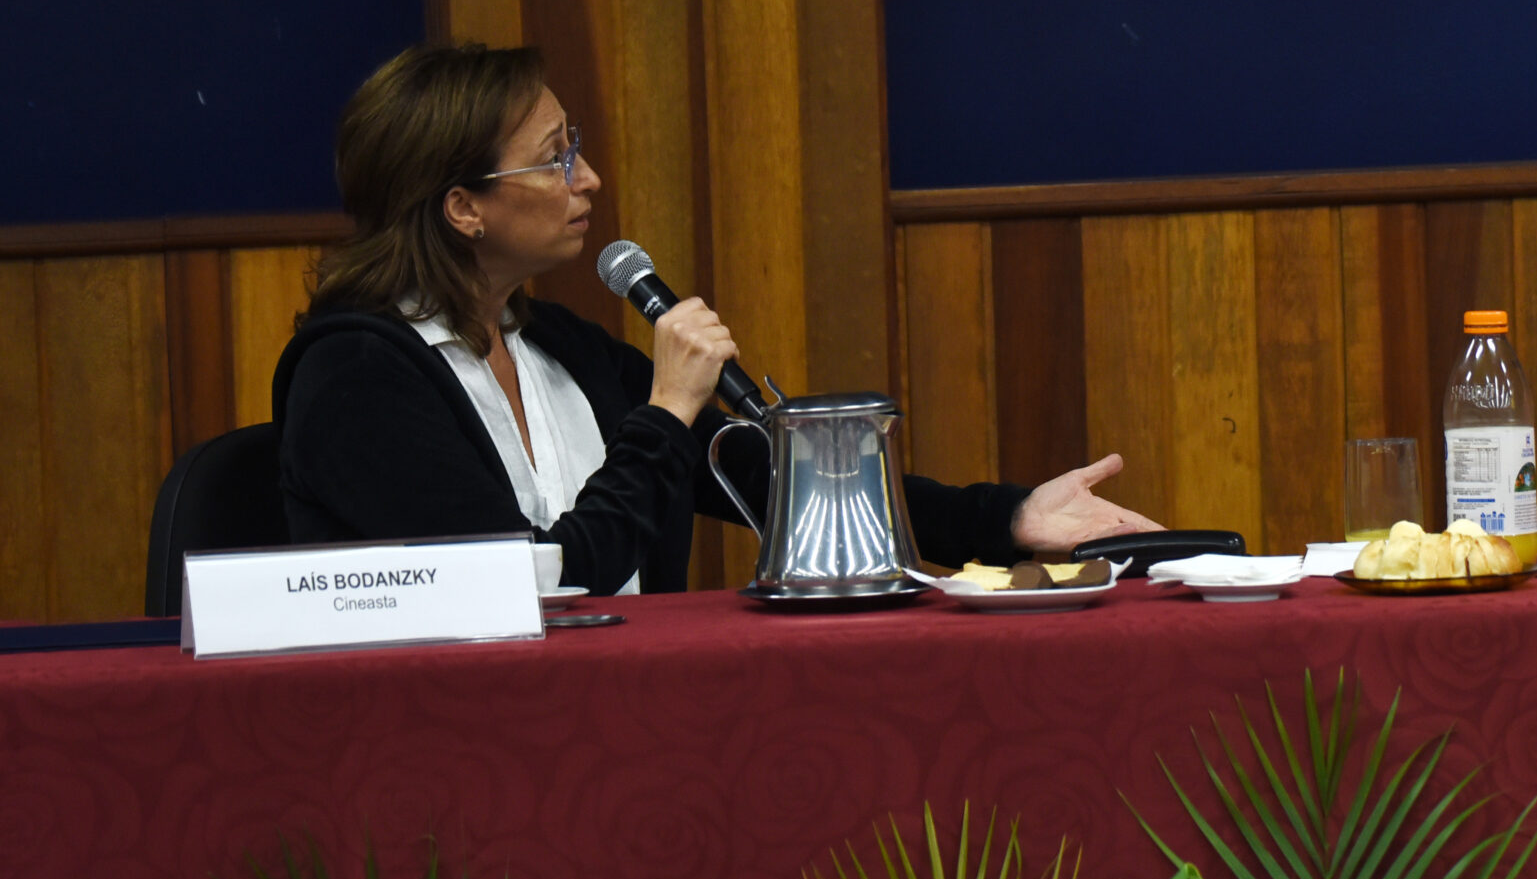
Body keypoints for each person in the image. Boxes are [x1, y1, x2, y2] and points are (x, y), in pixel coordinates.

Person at [274, 43, 1161, 593]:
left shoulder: (554, 350)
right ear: (463, 208)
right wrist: (664, 412)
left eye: (575, 147)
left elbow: (768, 481)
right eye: (555, 160)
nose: (587, 180)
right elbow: (531, 582)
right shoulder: (357, 376)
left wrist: (1009, 520)